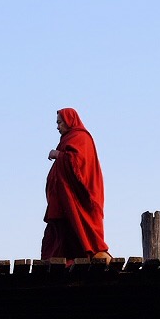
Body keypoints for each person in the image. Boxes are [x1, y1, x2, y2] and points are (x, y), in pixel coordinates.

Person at [41, 108, 109, 261]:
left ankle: (93, 252)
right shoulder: (68, 139)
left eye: (60, 122)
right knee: (63, 233)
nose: (57, 127)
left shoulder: (81, 137)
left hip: (79, 199)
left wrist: (57, 154)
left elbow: (77, 162)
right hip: (65, 201)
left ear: (69, 121)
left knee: (82, 227)